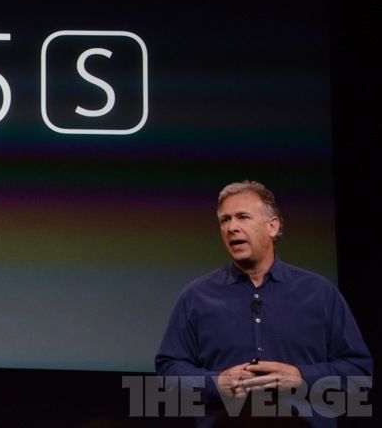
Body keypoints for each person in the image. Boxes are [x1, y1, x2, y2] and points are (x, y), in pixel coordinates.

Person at [155, 180, 372, 425]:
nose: (231, 227)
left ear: (272, 226)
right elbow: (168, 372)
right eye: (225, 220)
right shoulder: (196, 296)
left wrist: (302, 378)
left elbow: (359, 372)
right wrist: (215, 384)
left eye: (243, 217)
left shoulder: (320, 293)